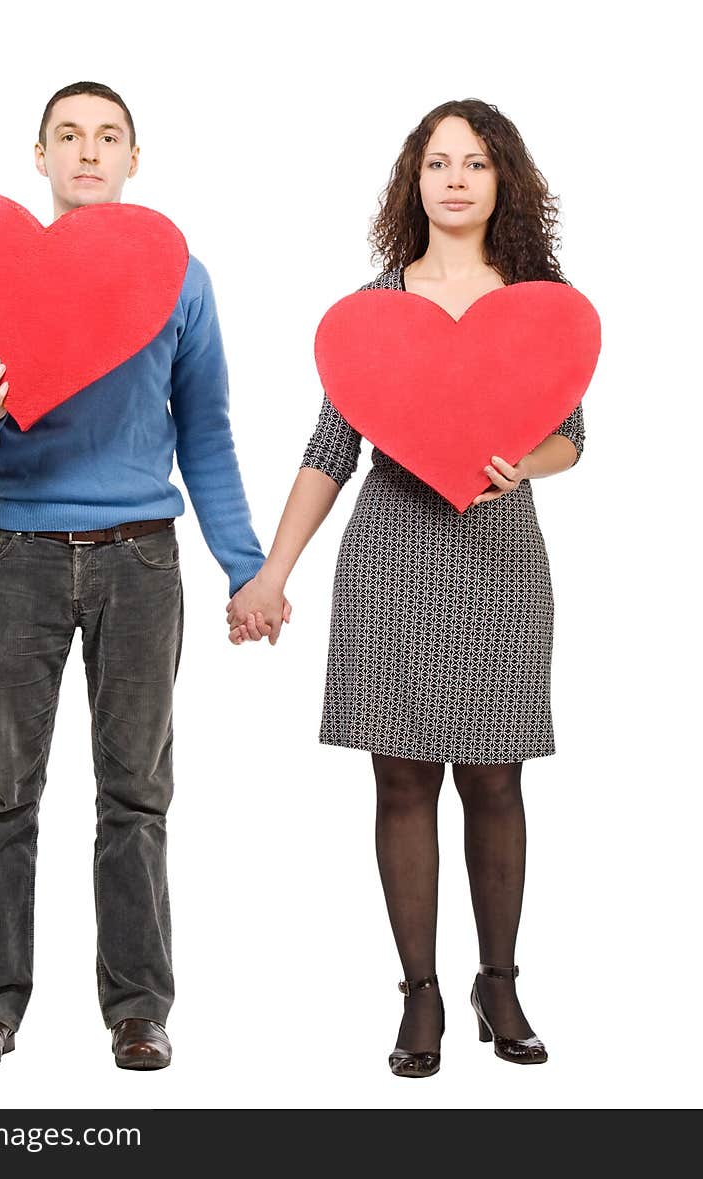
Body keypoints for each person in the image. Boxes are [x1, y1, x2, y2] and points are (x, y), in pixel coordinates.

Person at [227, 99, 586, 1077]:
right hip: (393, 554)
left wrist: (524, 459)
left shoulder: (535, 302)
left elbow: (571, 439)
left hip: (498, 554)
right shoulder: (374, 309)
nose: (457, 178)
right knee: (401, 779)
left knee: (495, 774)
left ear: (502, 179)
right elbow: (328, 451)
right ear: (413, 182)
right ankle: (419, 994)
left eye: (475, 162)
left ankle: (498, 981)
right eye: (438, 163)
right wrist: (271, 572)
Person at [0, 81, 276, 1072]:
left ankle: (138, 1011)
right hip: (18, 562)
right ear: (38, 156)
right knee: (2, 791)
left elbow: (203, 430)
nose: (89, 151)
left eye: (109, 136)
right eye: (69, 136)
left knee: (135, 795)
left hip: (140, 561)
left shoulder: (182, 279)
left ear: (134, 159)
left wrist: (243, 569)